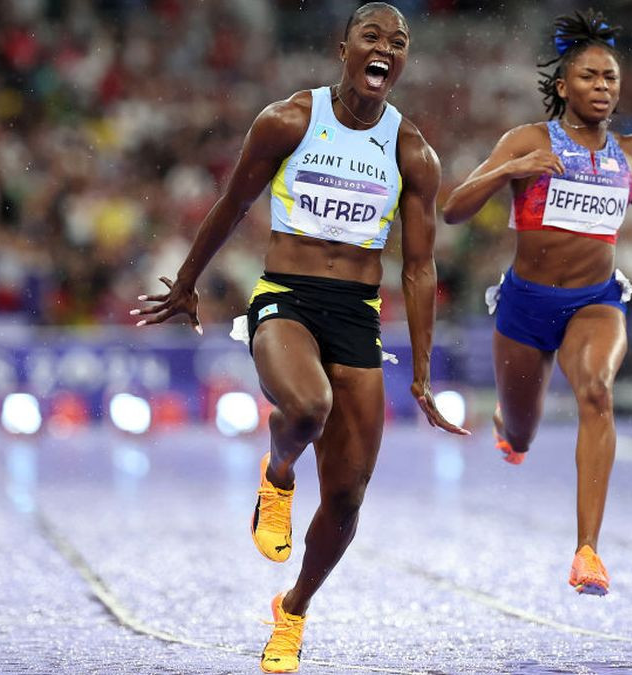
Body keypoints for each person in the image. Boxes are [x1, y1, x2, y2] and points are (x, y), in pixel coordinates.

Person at [132, 4, 468, 672]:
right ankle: (279, 473)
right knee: (309, 407)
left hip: (357, 314)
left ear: (402, 62)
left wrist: (423, 371)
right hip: (286, 297)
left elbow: (421, 265)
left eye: (399, 43)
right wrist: (188, 281)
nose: (385, 49)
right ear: (343, 48)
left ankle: (293, 609)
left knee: (347, 497)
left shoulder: (411, 151)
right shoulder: (288, 120)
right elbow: (232, 204)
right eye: (372, 36)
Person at [442, 9, 632, 597]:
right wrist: (513, 168)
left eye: (610, 77)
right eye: (589, 76)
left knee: (595, 391)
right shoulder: (528, 140)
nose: (603, 86)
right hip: (525, 305)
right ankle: (510, 428)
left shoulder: (630, 150)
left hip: (596, 300)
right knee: (525, 434)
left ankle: (587, 550)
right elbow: (454, 208)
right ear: (563, 86)